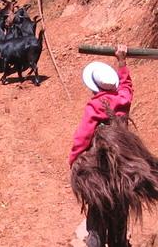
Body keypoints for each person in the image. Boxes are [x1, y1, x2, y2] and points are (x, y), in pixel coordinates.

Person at [70, 45, 158, 247]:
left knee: (97, 215)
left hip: (100, 172)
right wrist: (122, 62)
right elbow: (127, 87)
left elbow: (82, 136)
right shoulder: (123, 100)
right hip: (124, 171)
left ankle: (95, 241)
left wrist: (74, 159)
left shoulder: (95, 106)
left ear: (94, 87)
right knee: (120, 217)